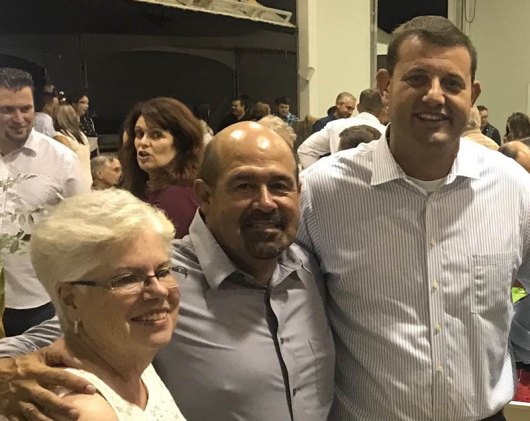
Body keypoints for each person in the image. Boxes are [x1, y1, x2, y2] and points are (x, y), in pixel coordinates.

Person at [0, 121, 334, 421]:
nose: (266, 202)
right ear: (204, 195)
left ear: (298, 193)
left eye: (280, 186)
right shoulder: (158, 282)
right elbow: (70, 335)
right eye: (243, 186)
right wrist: (9, 373)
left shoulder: (309, 268)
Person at [299, 15, 530, 421]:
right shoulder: (322, 194)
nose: (435, 96)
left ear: (472, 95)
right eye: (418, 78)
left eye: (452, 84)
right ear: (386, 86)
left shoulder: (513, 188)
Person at [24, 189, 185, 419]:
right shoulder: (84, 409)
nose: (158, 290)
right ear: (70, 299)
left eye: (163, 271)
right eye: (127, 278)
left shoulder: (130, 356)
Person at [0, 67, 88, 337]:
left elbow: (85, 229)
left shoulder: (61, 160)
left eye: (25, 109)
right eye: (7, 110)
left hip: (41, 300)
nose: (19, 119)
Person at [119, 97, 203, 239]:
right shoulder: (147, 188)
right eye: (139, 134)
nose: (143, 142)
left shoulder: (176, 198)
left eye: (156, 135)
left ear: (181, 143)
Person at [297, 88, 386, 168]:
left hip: (335, 184)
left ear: (358, 107)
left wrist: (320, 176)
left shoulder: (335, 125)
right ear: (384, 110)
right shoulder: (387, 134)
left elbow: (305, 150)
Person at [54, 102, 93, 188]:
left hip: (73, 185)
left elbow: (65, 165)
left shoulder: (60, 137)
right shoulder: (82, 136)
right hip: (87, 181)